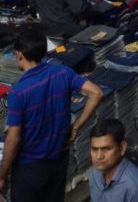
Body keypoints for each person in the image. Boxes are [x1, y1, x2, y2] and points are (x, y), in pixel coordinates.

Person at [0, 28, 104, 201]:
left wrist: (2, 174)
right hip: (58, 160)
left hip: (30, 169)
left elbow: (14, 139)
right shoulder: (62, 72)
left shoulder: (19, 92)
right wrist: (76, 127)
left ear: (18, 55)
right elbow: (96, 93)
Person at [88, 117, 138, 201]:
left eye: (106, 149)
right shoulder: (94, 173)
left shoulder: (136, 189)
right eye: (94, 149)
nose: (98, 156)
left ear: (122, 147)